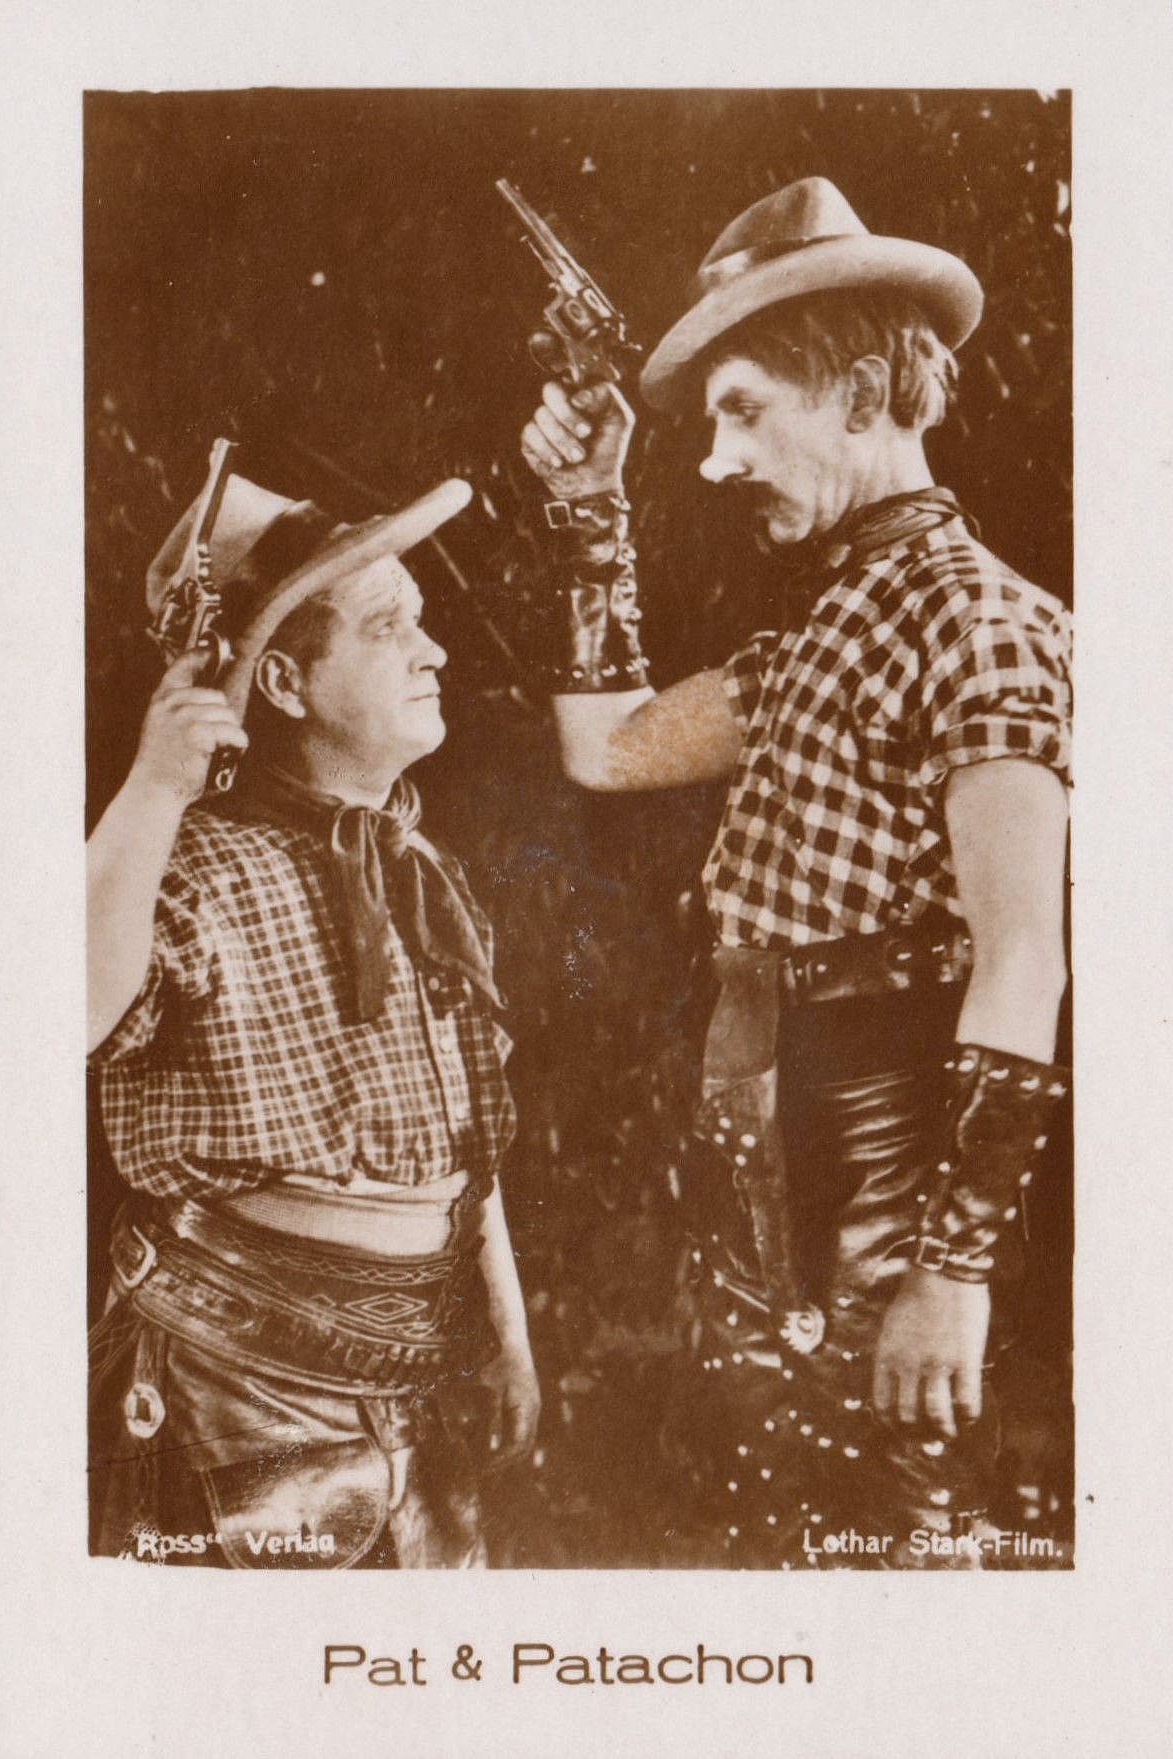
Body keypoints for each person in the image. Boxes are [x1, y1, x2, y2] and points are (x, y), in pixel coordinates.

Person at [518, 177, 1071, 1566]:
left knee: (900, 1555)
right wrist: (587, 507)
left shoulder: (985, 624)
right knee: (781, 1541)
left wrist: (953, 1269)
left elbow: (1023, 957)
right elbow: (606, 749)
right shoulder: (825, 632)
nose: (716, 461)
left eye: (744, 410)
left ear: (867, 393)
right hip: (763, 1186)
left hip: (887, 1201)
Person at [87, 455, 539, 1568]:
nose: (434, 651)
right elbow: (46, 1015)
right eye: (388, 627)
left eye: (420, 620)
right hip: (226, 1396)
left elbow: (466, 1140)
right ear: (285, 683)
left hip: (413, 1387)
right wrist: (154, 785)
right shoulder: (186, 866)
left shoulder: (423, 872)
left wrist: (507, 1326)